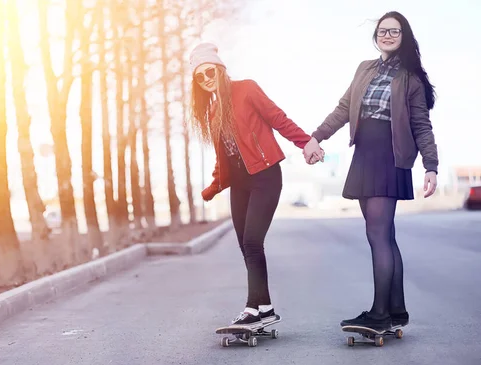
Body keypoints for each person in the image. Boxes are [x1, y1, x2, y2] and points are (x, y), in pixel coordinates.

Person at [303, 11, 439, 332]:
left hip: (388, 156)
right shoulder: (365, 69)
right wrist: (316, 136)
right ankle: (396, 310)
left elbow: (421, 125)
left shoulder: (411, 79)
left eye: (394, 31)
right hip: (364, 153)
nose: (387, 35)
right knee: (384, 235)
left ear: (404, 35)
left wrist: (430, 166)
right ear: (376, 36)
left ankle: (379, 314)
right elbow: (342, 109)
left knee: (378, 234)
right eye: (382, 31)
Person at [188, 42, 323, 328]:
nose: (206, 79)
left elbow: (278, 119)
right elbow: (223, 158)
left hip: (265, 176)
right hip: (239, 185)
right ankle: (265, 308)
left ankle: (252, 307)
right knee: (245, 245)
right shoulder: (213, 113)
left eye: (209, 71)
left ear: (220, 68)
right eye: (199, 77)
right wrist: (212, 188)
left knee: (252, 241)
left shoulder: (246, 89)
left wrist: (307, 142)